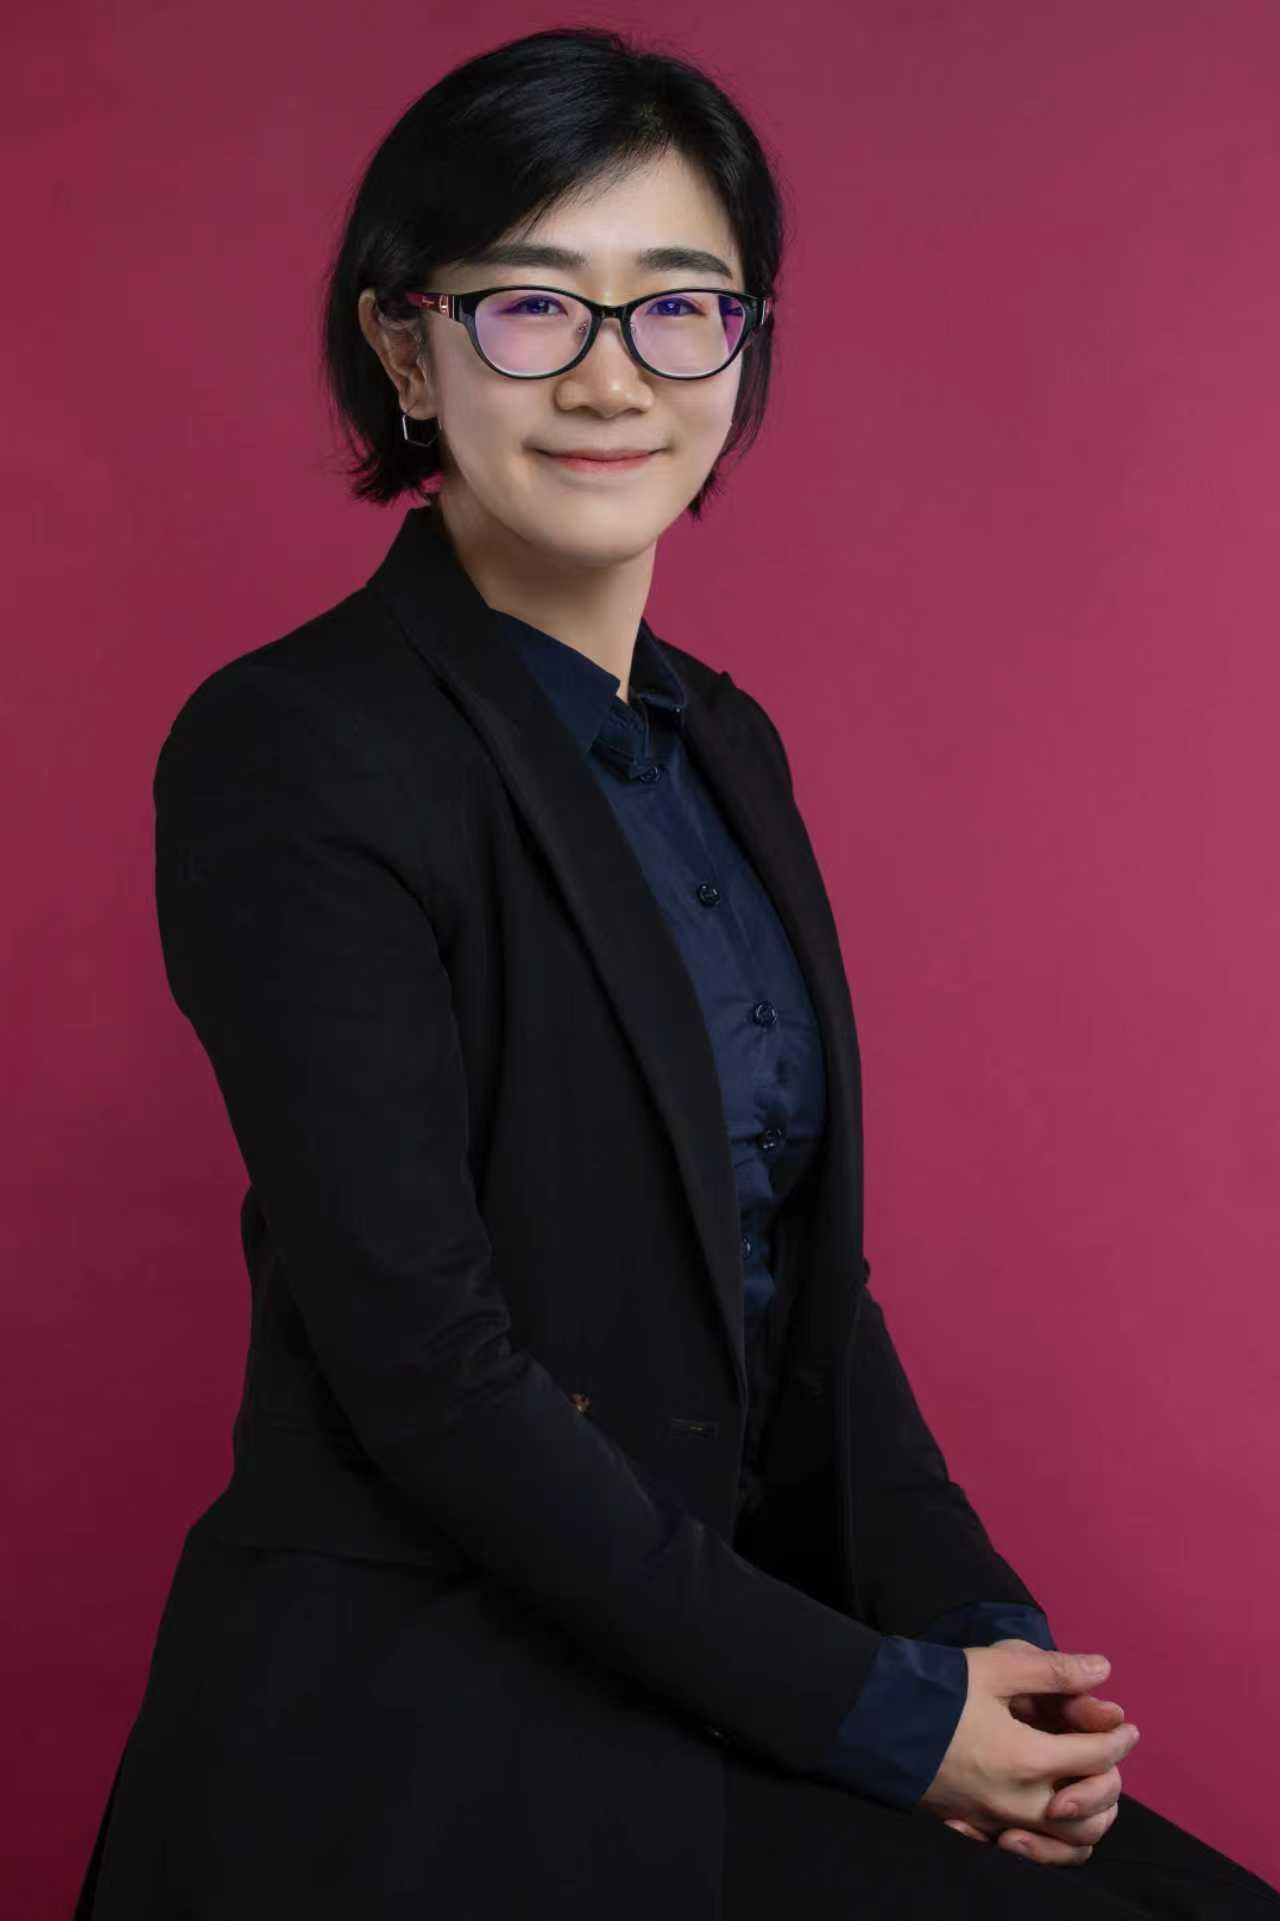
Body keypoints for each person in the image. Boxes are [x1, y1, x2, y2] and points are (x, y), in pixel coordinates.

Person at [73, 25, 1278, 1920]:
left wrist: (981, 1644)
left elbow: (808, 1299)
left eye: (680, 306)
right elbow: (431, 1376)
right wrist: (885, 1716)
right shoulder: (295, 747)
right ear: (406, 348)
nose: (614, 374)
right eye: (532, 305)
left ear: (744, 343)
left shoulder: (727, 742)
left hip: (714, 1670)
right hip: (432, 1725)